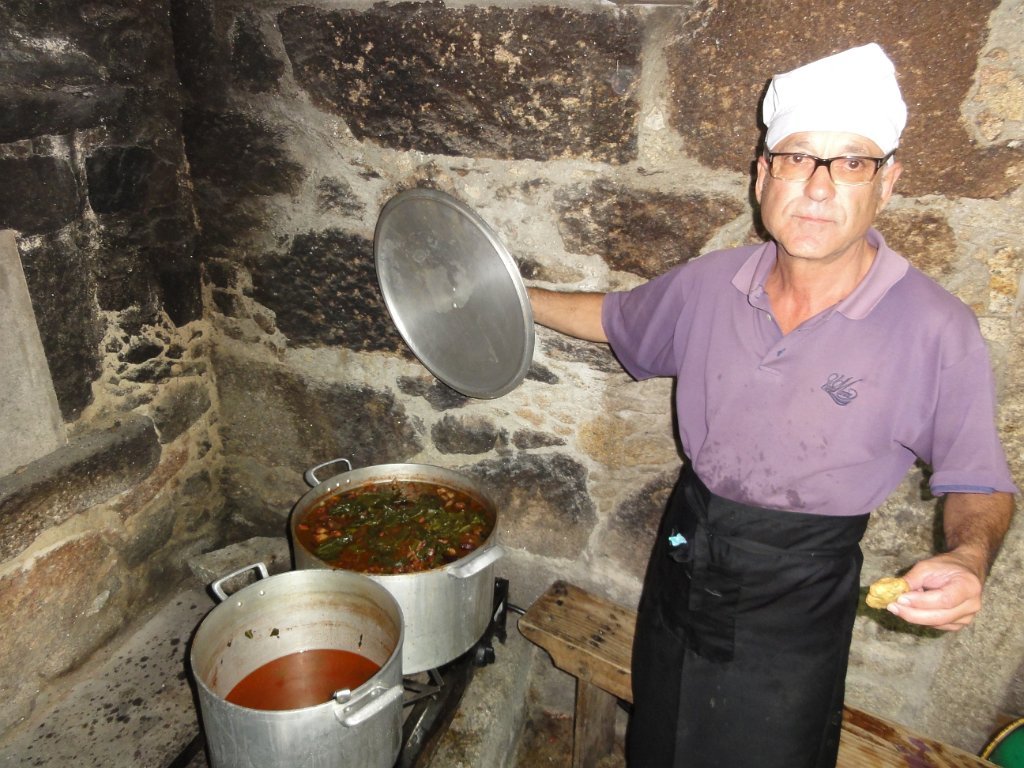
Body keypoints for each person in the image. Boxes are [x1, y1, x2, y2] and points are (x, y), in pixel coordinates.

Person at [527, 43, 1017, 768]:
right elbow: (614, 317)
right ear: (763, 176)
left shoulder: (936, 329)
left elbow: (979, 479)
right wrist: (511, 297)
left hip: (799, 594)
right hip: (686, 549)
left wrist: (969, 556)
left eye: (851, 163)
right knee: (659, 734)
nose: (818, 188)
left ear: (887, 184)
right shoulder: (712, 282)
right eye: (797, 158)